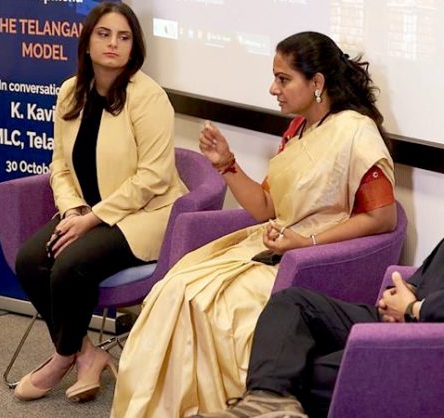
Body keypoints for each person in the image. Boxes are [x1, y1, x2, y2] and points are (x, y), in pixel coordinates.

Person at [192, 48, 444, 418]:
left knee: (301, 371)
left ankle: (269, 403)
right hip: (417, 307)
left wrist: (417, 309)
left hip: (440, 335)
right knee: (292, 306)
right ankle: (267, 406)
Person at [111, 31, 397, 417]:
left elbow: (383, 218)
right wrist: (226, 164)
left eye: (283, 79)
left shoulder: (355, 132)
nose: (272, 88)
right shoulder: (298, 130)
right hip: (270, 246)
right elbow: (265, 207)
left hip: (311, 261)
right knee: (175, 287)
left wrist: (307, 242)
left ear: (316, 83)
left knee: (218, 308)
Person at [12, 2, 187, 403]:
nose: (113, 44)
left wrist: (93, 218)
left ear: (134, 47)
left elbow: (154, 177)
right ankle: (85, 354)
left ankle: (59, 358)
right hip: (87, 212)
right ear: (87, 43)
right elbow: (59, 164)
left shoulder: (149, 97)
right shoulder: (71, 91)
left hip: (144, 215)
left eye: (124, 37)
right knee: (31, 260)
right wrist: (73, 209)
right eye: (104, 34)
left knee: (70, 266)